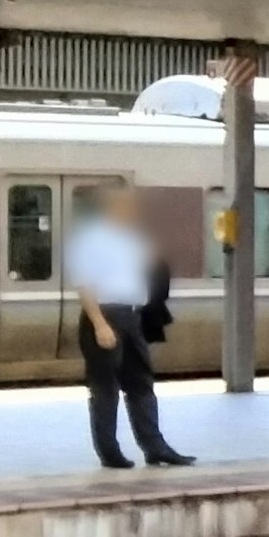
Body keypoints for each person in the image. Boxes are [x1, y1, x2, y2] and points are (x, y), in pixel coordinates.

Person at [66, 186, 195, 469]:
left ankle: (155, 446)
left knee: (141, 383)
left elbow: (147, 267)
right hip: (104, 315)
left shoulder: (132, 238)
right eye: (128, 207)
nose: (134, 212)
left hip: (132, 315)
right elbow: (84, 284)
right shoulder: (88, 239)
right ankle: (110, 452)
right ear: (113, 207)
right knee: (106, 387)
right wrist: (99, 324)